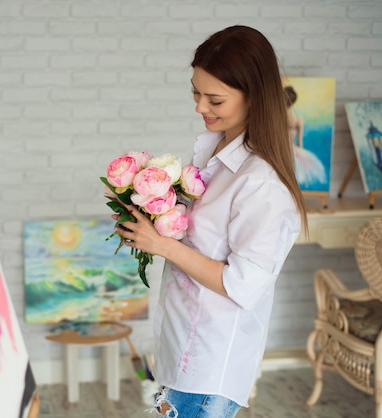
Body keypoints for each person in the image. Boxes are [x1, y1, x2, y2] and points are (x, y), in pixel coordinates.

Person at [115, 25, 308, 417]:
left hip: (208, 365)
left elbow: (243, 285)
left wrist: (162, 245)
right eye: (195, 92)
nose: (200, 107)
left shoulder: (262, 185)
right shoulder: (212, 153)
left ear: (254, 98)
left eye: (214, 99)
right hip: (181, 351)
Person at [285, 85, 327, 186]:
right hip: (291, 150)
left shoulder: (279, 119)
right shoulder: (298, 120)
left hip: (283, 151)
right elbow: (300, 142)